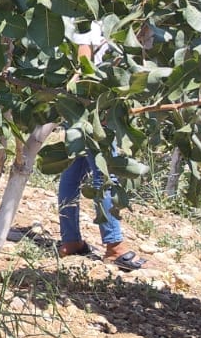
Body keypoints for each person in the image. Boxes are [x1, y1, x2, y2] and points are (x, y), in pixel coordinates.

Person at [58, 23, 146, 272]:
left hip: (88, 103)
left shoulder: (124, 16)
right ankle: (114, 244)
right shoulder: (91, 15)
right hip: (94, 106)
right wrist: (92, 100)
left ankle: (71, 240)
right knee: (105, 170)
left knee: (74, 170)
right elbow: (83, 49)